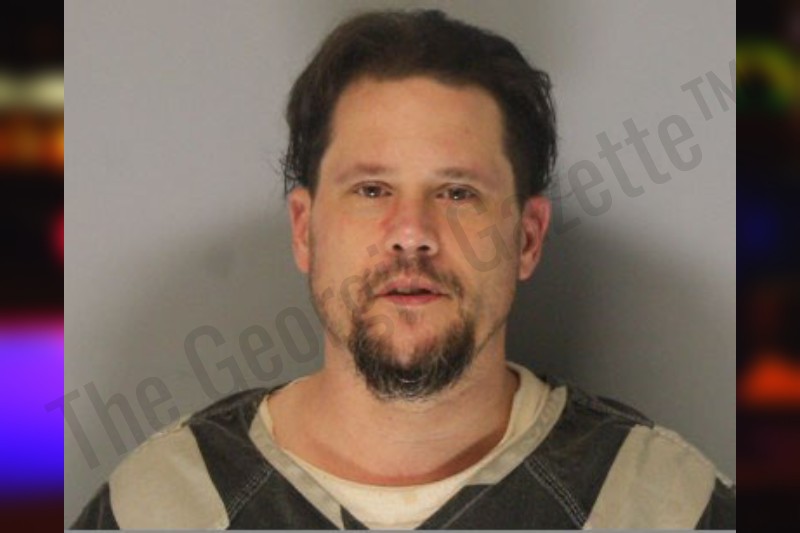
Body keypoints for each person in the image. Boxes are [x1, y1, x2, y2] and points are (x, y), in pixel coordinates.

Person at [71, 9, 735, 530]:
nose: (412, 233)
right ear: (304, 229)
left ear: (529, 238)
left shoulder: (662, 506)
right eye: (371, 190)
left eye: (457, 193)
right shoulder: (162, 507)